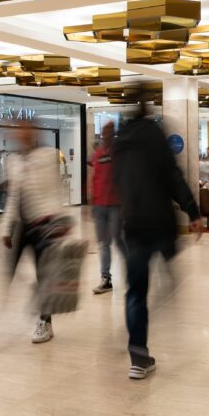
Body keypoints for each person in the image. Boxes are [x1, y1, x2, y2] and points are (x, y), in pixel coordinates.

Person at [113, 94, 201, 380]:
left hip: (134, 225)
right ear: (147, 109)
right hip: (159, 223)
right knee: (167, 276)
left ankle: (138, 357)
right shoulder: (154, 135)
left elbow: (116, 183)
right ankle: (168, 288)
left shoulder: (120, 142)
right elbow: (173, 176)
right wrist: (192, 211)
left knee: (135, 293)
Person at [1, 121, 68, 344]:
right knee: (10, 271)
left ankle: (45, 321)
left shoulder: (48, 156)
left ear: (34, 132)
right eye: (17, 130)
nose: (20, 134)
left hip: (44, 224)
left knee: (43, 273)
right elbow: (13, 197)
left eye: (25, 129)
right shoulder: (14, 161)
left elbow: (55, 191)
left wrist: (59, 222)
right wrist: (6, 227)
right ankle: (35, 293)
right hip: (23, 225)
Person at [90, 122, 125, 295]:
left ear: (113, 134)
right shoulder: (97, 155)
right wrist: (93, 201)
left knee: (119, 240)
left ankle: (132, 272)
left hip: (116, 205)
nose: (105, 135)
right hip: (100, 206)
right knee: (104, 243)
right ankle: (106, 278)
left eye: (108, 132)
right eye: (103, 132)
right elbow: (94, 178)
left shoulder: (119, 154)